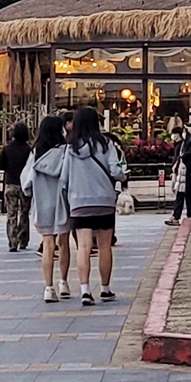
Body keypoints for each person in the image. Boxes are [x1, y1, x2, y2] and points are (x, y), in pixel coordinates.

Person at [61, 105, 123, 306]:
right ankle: (105, 289)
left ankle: (85, 290)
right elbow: (116, 171)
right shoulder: (107, 144)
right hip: (104, 201)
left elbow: (64, 179)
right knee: (105, 246)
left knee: (84, 247)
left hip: (79, 203)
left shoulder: (71, 148)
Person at [21, 115, 72, 302]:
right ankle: (64, 282)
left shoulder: (36, 153)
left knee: (48, 244)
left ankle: (49, 287)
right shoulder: (66, 151)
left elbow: (26, 183)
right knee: (64, 243)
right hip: (62, 203)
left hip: (42, 202)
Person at [0, 123, 32, 252]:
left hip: (10, 183)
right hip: (25, 185)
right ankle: (23, 239)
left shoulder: (7, 149)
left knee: (11, 213)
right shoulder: (29, 149)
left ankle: (12, 241)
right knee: (24, 213)